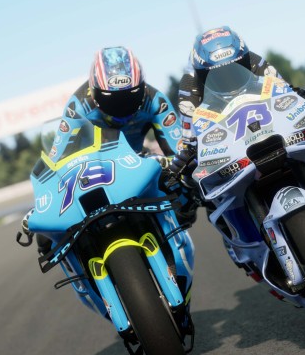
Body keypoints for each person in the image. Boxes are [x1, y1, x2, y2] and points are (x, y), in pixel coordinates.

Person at [21, 46, 188, 241]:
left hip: (138, 163)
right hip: (95, 171)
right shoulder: (78, 106)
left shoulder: (155, 101)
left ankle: (176, 238)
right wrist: (42, 206)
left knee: (186, 194)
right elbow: (56, 159)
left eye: (131, 96)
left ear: (142, 88)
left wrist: (176, 167)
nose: (121, 108)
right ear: (94, 91)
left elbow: (179, 150)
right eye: (111, 100)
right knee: (49, 237)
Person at [169, 24, 305, 192]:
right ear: (201, 75)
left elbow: (287, 93)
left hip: (269, 132)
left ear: (245, 60)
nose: (228, 80)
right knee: (197, 186)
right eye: (216, 76)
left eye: (236, 69)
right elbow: (189, 142)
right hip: (227, 150)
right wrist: (185, 158)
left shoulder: (254, 60)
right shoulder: (190, 86)